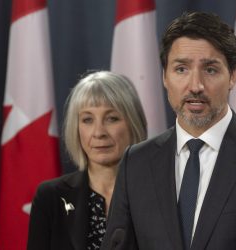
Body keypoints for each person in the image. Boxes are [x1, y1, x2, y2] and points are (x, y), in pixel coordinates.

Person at [101, 12, 236, 250]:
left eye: (210, 70)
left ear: (232, 76)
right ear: (164, 76)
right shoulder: (135, 163)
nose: (195, 86)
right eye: (181, 69)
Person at [27, 71, 147, 250]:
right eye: (87, 120)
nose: (98, 132)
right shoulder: (50, 197)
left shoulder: (159, 194)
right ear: (76, 128)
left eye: (111, 118)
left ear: (133, 124)